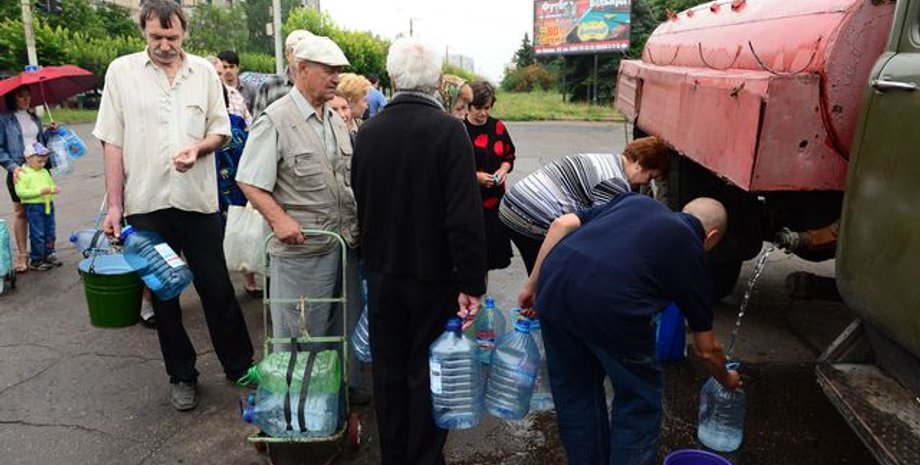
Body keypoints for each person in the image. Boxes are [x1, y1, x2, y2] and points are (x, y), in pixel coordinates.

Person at [92, 0, 254, 411]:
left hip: (197, 202)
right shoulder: (121, 72)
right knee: (164, 296)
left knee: (216, 287)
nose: (164, 45)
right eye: (156, 37)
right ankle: (182, 375)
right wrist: (115, 206)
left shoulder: (203, 72)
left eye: (172, 37)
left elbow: (221, 130)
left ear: (185, 34)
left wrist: (198, 149)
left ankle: (239, 366)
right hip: (146, 203)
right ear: (143, 32)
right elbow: (111, 140)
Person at [517, 193, 742, 465]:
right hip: (613, 308)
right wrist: (726, 379)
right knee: (639, 403)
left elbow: (562, 223)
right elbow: (707, 350)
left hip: (555, 289)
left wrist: (531, 286)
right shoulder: (692, 250)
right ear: (713, 236)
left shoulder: (635, 201)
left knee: (576, 395)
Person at [352, 37, 487, 465]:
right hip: (433, 276)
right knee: (427, 372)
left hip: (383, 271)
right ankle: (424, 457)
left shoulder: (367, 132)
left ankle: (395, 455)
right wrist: (471, 283)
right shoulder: (450, 131)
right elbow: (464, 216)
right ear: (435, 84)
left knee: (389, 371)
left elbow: (361, 196)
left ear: (392, 79)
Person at [235, 35, 368, 405]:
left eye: (339, 71)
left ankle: (337, 398)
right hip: (302, 253)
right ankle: (299, 408)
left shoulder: (336, 121)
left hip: (343, 247)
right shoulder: (276, 119)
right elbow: (248, 179)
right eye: (329, 70)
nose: (336, 78)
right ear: (302, 69)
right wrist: (279, 220)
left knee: (341, 330)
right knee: (301, 334)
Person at [499, 137, 671, 273]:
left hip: (512, 203)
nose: (647, 183)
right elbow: (600, 231)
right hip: (530, 214)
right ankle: (539, 306)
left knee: (544, 269)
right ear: (639, 164)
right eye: (650, 177)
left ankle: (537, 302)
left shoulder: (610, 160)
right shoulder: (615, 182)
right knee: (551, 272)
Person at [0, 86, 57, 273]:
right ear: (12, 98)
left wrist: (49, 132)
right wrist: (12, 166)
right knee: (20, 212)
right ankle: (23, 255)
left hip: (39, 170)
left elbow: (38, 142)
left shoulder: (35, 118)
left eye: (27, 96)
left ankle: (43, 253)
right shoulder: (4, 119)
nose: (26, 99)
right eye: (20, 96)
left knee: (43, 210)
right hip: (19, 170)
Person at [464, 80, 515, 273]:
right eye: (477, 108)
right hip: (470, 204)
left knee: (489, 256)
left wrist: (503, 169)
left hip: (495, 203)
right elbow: (450, 166)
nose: (483, 113)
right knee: (472, 256)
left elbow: (509, 155)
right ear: (468, 105)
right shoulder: (459, 129)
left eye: (487, 108)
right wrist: (474, 177)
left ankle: (480, 293)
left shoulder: (498, 127)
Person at [13, 142, 59, 271]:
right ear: (28, 158)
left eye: (44, 161)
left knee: (50, 231)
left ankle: (49, 253)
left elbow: (50, 184)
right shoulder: (23, 174)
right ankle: (37, 259)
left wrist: (52, 189)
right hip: (34, 207)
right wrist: (40, 192)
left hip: (47, 204)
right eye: (39, 161)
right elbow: (21, 193)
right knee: (38, 233)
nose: (43, 164)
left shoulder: (44, 171)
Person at [251, 29, 314, 116]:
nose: (301, 56)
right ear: (287, 54)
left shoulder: (318, 86)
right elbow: (258, 125)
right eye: (297, 51)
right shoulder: (270, 85)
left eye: (306, 52)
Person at [205, 55, 252, 125]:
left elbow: (249, 125)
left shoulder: (235, 95)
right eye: (212, 74)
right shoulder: (194, 96)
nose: (216, 78)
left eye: (219, 74)